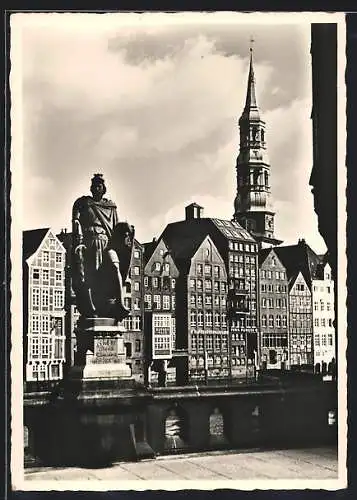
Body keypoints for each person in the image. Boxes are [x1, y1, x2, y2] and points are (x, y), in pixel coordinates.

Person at [71, 174, 134, 320]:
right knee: (91, 277)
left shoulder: (111, 207)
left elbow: (116, 228)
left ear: (103, 188)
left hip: (107, 243)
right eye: (94, 185)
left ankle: (119, 302)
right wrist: (78, 240)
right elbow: (76, 223)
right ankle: (91, 306)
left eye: (99, 185)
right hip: (89, 243)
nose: (96, 188)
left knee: (114, 266)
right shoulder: (83, 203)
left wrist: (126, 230)